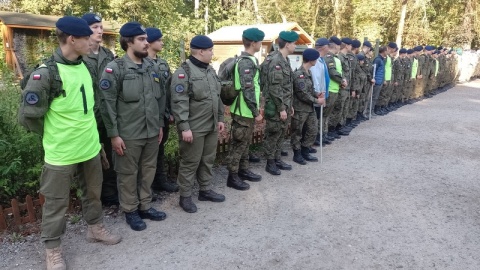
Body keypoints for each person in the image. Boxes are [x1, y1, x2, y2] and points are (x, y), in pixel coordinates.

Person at [18, 16, 122, 270]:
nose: (92, 40)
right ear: (72, 39)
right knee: (55, 203)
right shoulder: (46, 73)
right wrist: (54, 135)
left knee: (93, 193)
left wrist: (96, 142)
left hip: (89, 147)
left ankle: (95, 228)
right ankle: (52, 250)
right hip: (61, 153)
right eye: (87, 37)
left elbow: (90, 108)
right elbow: (28, 117)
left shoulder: (86, 66)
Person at [99, 22, 167, 231]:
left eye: (146, 39)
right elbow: (106, 104)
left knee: (148, 170)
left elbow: (160, 99)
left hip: (151, 131)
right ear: (129, 42)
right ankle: (130, 210)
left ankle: (145, 206)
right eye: (142, 39)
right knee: (127, 174)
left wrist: (160, 124)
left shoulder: (151, 67)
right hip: (128, 133)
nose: (146, 43)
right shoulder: (115, 69)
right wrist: (114, 135)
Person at [170, 35, 225, 213]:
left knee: (208, 159)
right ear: (201, 51)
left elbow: (217, 97)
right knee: (190, 162)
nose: (212, 53)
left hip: (211, 125)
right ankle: (185, 196)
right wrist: (184, 127)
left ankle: (205, 190)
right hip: (194, 127)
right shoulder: (183, 72)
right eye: (210, 50)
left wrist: (221, 119)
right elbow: (179, 102)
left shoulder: (210, 71)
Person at [81, 13, 118, 206]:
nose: (100, 30)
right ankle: (93, 198)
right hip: (88, 117)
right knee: (92, 160)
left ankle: (110, 193)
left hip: (107, 114)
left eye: (101, 27)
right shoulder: (78, 55)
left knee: (111, 154)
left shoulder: (108, 55)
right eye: (95, 27)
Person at [225, 28, 265, 190]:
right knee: (239, 144)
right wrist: (256, 112)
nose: (261, 45)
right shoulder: (246, 63)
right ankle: (232, 177)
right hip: (243, 111)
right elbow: (248, 90)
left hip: (246, 110)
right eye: (260, 42)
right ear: (253, 43)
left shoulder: (249, 60)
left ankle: (243, 170)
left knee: (245, 143)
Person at [145, 27, 180, 193]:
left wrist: (171, 111)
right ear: (150, 42)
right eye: (159, 40)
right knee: (147, 154)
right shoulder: (142, 63)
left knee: (160, 149)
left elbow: (169, 90)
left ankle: (160, 180)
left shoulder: (163, 63)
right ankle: (146, 186)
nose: (162, 42)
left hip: (163, 115)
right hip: (148, 116)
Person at [260, 31, 299, 175]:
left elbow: (286, 86)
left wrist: (290, 106)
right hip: (276, 105)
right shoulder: (276, 61)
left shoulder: (285, 59)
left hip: (285, 104)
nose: (295, 46)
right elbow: (275, 88)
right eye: (294, 43)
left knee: (281, 132)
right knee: (274, 133)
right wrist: (282, 108)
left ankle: (276, 158)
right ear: (287, 44)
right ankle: (270, 162)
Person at [291, 48, 324, 164]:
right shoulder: (299, 75)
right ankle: (297, 154)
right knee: (297, 132)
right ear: (311, 60)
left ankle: (305, 150)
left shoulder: (308, 72)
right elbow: (303, 94)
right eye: (315, 59)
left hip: (309, 108)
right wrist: (317, 100)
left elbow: (309, 90)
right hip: (301, 109)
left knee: (313, 129)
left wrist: (316, 94)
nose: (317, 61)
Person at [324, 36, 347, 138]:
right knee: (326, 114)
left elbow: (339, 71)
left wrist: (342, 80)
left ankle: (327, 132)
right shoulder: (329, 57)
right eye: (339, 45)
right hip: (330, 89)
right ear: (336, 46)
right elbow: (332, 72)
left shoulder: (335, 57)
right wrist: (341, 80)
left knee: (329, 113)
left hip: (335, 88)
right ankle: (324, 133)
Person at [310, 38, 330, 145]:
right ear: (323, 47)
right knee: (314, 119)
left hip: (322, 94)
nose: (329, 47)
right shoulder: (316, 60)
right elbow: (316, 79)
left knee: (318, 118)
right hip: (317, 95)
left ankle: (316, 138)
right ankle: (313, 140)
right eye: (327, 45)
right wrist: (320, 95)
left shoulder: (322, 60)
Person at [370, 46, 387, 115]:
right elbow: (374, 70)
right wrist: (373, 78)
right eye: (387, 51)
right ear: (384, 51)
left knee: (376, 97)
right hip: (376, 81)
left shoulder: (382, 59)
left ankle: (372, 110)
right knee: (373, 97)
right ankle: (370, 111)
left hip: (380, 81)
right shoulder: (378, 60)